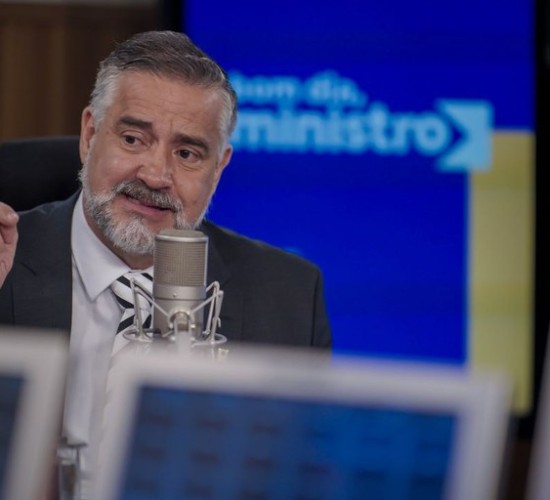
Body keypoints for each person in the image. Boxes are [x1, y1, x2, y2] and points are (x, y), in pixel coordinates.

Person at [0, 31, 331, 497]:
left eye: (187, 153)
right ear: (90, 135)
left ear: (218, 168)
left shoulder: (289, 298)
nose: (156, 175)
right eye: (133, 139)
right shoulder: (7, 259)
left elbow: (294, 478)